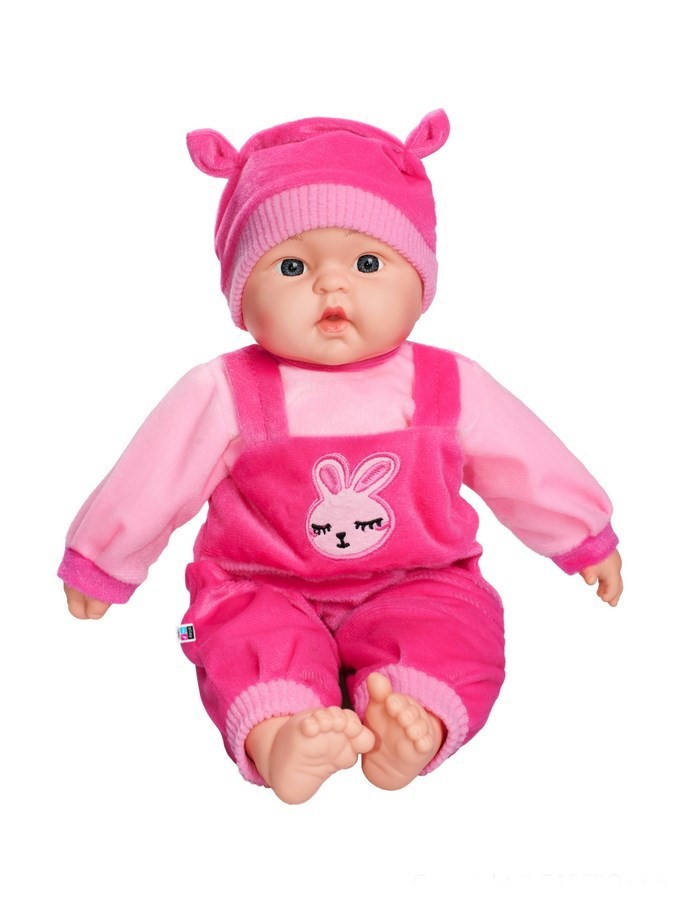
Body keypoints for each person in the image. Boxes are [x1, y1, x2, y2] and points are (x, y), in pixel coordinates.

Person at [59, 110, 622, 804]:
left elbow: (526, 464)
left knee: (456, 630)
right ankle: (281, 732)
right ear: (241, 291)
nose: (332, 287)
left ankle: (412, 719)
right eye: (292, 266)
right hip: (259, 583)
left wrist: (582, 534)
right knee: (239, 637)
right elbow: (155, 476)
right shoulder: (228, 390)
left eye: (367, 263)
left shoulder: (448, 383)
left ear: (420, 280)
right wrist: (103, 558)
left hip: (421, 579)